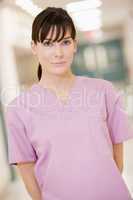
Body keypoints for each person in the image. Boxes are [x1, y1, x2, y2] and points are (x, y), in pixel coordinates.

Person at [5, 7, 133, 200]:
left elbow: (118, 160)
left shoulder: (104, 91)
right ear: (34, 47)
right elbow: (28, 173)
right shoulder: (18, 109)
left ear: (74, 44)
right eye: (48, 43)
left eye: (65, 42)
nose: (58, 53)